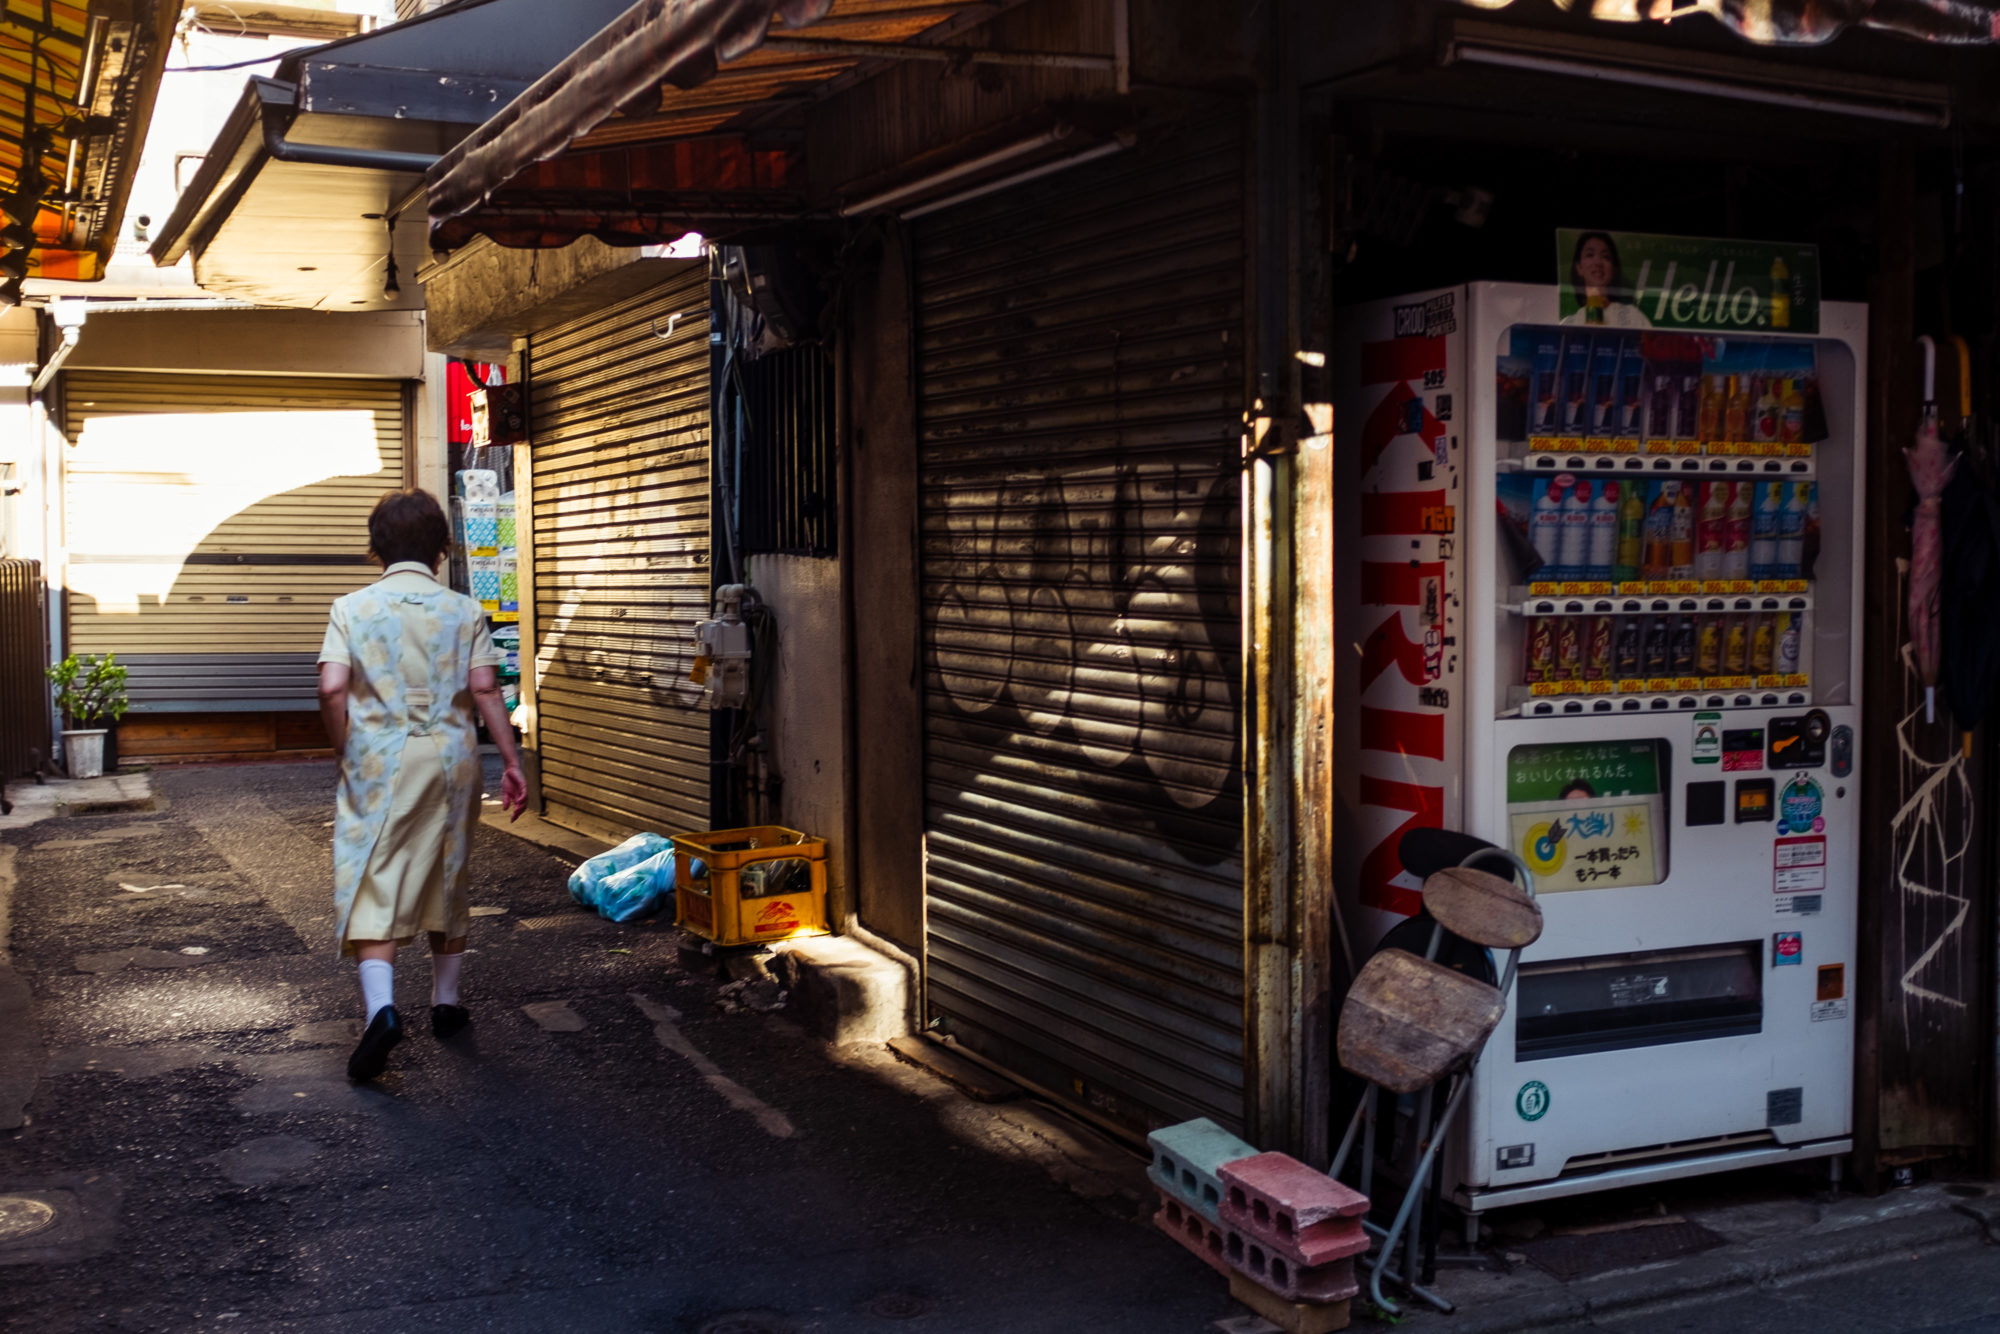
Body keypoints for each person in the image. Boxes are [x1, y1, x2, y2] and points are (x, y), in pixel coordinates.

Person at [317, 488, 527, 1082]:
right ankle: (446, 1004)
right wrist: (512, 763)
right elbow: (486, 689)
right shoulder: (463, 610)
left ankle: (382, 1011)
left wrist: (344, 747)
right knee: (448, 864)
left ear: (377, 546)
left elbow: (332, 688)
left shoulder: (351, 609)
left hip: (379, 758)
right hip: (452, 755)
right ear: (441, 548)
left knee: (373, 873)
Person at [1561, 231, 1653, 328]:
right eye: (1590, 255)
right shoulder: (1569, 323)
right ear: (1579, 267)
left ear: (1612, 268)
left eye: (1605, 257)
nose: (1598, 262)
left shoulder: (1633, 316)